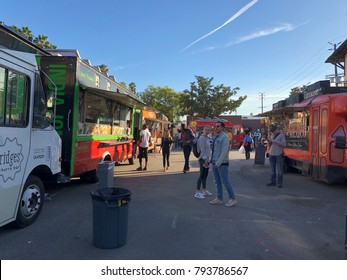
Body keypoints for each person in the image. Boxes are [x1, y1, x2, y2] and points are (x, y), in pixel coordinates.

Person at [209, 121, 238, 207]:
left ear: (222, 128)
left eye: (218, 126)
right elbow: (214, 150)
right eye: (215, 126)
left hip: (222, 163)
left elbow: (224, 152)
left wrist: (218, 163)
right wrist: (212, 161)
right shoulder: (217, 137)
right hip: (214, 161)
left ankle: (233, 198)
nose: (216, 128)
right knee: (217, 181)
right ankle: (219, 198)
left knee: (225, 181)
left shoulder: (224, 138)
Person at [194, 126, 213, 199]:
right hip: (202, 159)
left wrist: (209, 159)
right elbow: (202, 150)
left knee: (205, 175)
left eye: (209, 130)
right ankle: (197, 192)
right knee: (201, 175)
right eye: (206, 130)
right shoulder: (202, 138)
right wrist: (205, 160)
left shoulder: (207, 138)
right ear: (203, 130)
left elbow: (208, 149)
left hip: (207, 159)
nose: (207, 131)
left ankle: (204, 190)